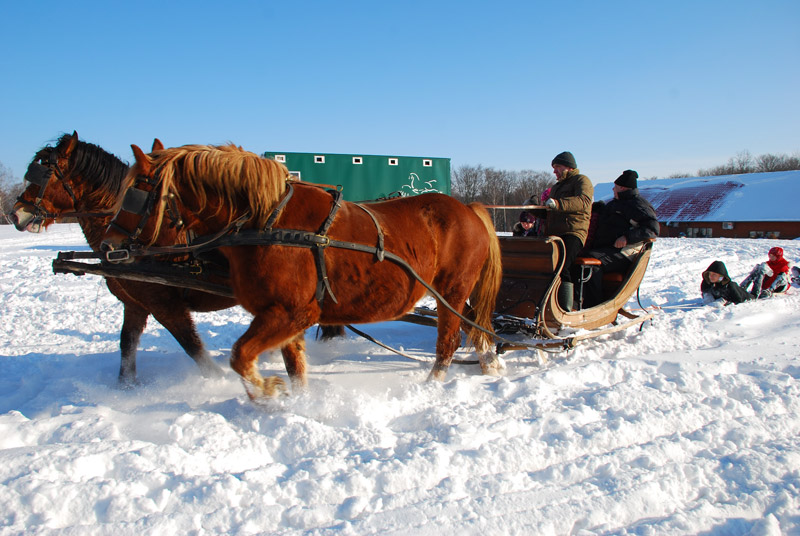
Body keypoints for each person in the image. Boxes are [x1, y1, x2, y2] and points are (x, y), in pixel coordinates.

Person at [581, 170, 660, 307]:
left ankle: (593, 306)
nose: (613, 189)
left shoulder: (638, 205)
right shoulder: (615, 204)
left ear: (622, 188)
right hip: (607, 250)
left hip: (625, 253)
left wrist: (627, 237)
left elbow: (652, 229)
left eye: (615, 186)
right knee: (578, 256)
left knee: (590, 262)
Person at [542, 151, 593, 311]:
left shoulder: (582, 180)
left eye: (557, 166)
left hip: (573, 232)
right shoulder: (556, 187)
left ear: (569, 167)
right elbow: (551, 211)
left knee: (562, 266)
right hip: (554, 235)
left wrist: (557, 204)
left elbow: (583, 201)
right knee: (544, 265)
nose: (554, 171)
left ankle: (565, 308)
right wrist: (534, 209)